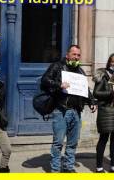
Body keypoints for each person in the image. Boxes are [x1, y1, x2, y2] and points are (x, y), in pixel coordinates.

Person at [41, 45, 97, 173]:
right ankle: (55, 169)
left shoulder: (80, 71)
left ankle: (68, 168)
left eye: (78, 55)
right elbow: (45, 80)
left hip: (76, 111)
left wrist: (92, 101)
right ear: (68, 55)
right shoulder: (57, 66)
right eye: (74, 54)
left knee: (72, 143)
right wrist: (58, 84)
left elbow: (86, 90)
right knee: (58, 143)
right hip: (61, 111)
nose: (76, 57)